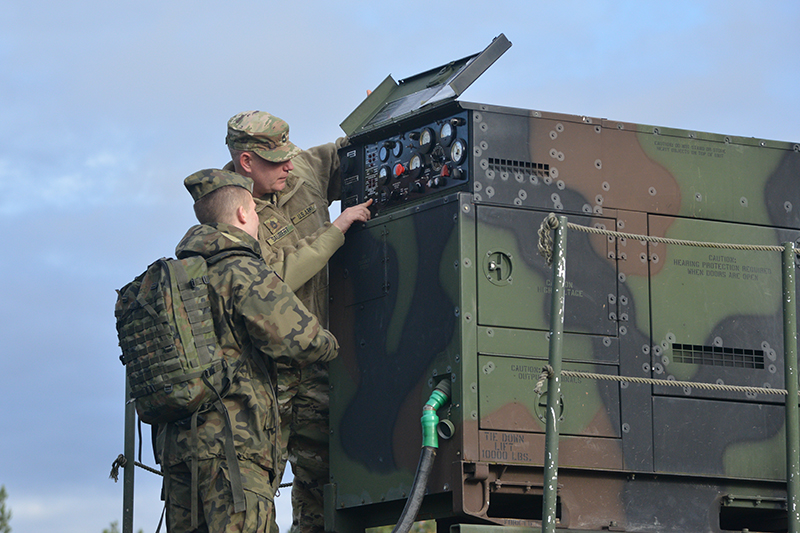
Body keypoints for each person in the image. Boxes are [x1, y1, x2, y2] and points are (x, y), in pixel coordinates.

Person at [159, 168, 339, 533]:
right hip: (234, 448)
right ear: (243, 214)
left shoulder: (175, 278)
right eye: (256, 213)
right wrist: (335, 345)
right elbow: (302, 339)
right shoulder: (241, 268)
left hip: (176, 450)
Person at [224, 110, 371, 533]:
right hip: (267, 369)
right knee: (257, 481)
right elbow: (274, 281)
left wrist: (380, 118)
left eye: (289, 153)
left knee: (321, 480)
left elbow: (352, 154)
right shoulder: (232, 213)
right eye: (276, 159)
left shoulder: (302, 167)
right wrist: (337, 228)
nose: (288, 165)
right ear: (246, 162)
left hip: (318, 361)